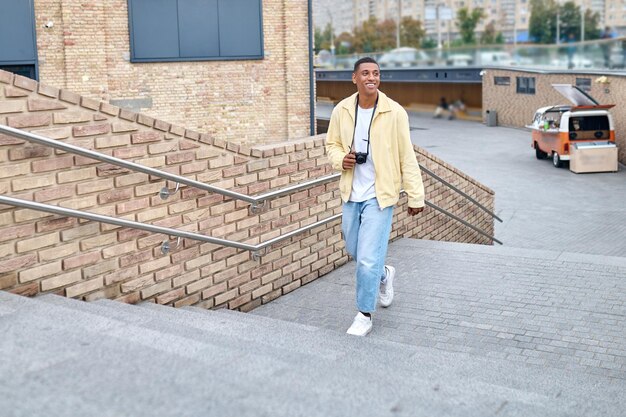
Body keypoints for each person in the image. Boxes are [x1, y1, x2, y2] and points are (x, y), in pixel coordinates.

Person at [325, 57, 425, 337]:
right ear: (354, 78)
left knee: (367, 259)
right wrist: (339, 160)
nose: (372, 77)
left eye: (376, 73)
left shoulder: (395, 112)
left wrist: (415, 196)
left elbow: (407, 155)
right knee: (356, 251)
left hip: (381, 196)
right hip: (351, 192)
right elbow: (331, 144)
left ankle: (364, 314)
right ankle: (384, 275)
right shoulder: (342, 110)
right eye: (365, 73)